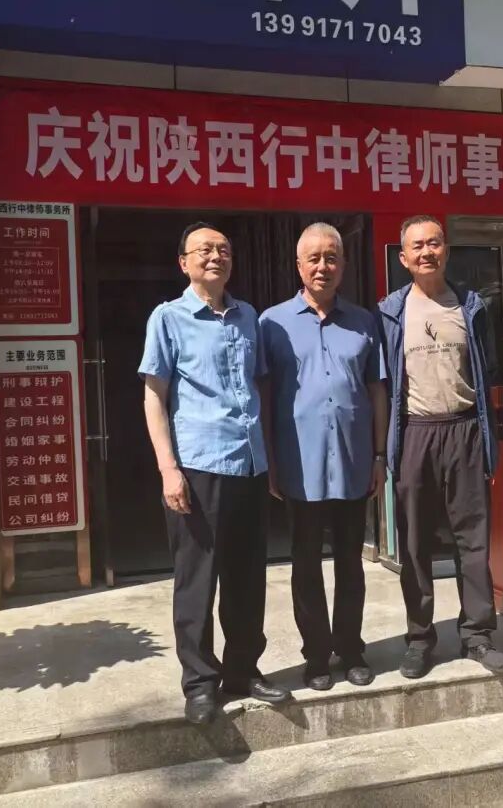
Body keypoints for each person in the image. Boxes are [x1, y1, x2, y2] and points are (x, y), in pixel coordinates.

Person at [139, 221, 290, 725]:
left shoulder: (249, 317)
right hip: (198, 465)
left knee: (247, 577)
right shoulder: (169, 318)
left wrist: (270, 459)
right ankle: (200, 683)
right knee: (197, 580)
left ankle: (243, 670)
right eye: (204, 249)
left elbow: (260, 388)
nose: (215, 256)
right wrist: (168, 468)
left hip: (249, 463)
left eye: (223, 249)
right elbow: (154, 396)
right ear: (183, 262)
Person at [376, 214, 503, 679]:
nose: (426, 252)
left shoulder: (471, 306)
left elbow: (488, 371)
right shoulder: (390, 313)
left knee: (473, 540)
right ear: (403, 258)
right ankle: (420, 639)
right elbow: (383, 383)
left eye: (434, 243)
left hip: (464, 429)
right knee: (414, 544)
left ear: (446, 251)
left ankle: (477, 634)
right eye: (417, 246)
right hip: (416, 431)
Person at [260, 223, 388, 691]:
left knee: (351, 562)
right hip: (300, 464)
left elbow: (377, 391)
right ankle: (316, 656)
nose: (323, 266)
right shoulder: (272, 323)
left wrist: (379, 455)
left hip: (354, 462)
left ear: (343, 265)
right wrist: (270, 461)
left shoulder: (364, 321)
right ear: (298, 266)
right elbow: (264, 395)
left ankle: (351, 649)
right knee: (306, 563)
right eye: (313, 258)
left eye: (331, 257)